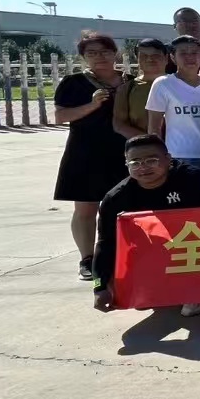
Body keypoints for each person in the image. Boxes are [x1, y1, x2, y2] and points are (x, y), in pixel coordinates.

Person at [91, 134, 200, 317]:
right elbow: (105, 243)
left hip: (185, 244)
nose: (143, 167)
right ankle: (149, 286)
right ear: (126, 164)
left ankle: (195, 288)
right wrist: (98, 287)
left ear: (168, 159)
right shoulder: (115, 199)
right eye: (135, 163)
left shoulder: (189, 178)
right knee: (121, 282)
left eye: (151, 160)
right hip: (148, 247)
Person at [54, 32, 128, 280]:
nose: (99, 57)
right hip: (85, 151)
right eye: (92, 53)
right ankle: (87, 259)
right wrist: (93, 105)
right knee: (86, 209)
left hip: (126, 152)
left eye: (105, 51)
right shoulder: (73, 83)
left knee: (125, 207)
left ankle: (122, 255)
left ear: (115, 53)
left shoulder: (130, 81)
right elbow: (61, 116)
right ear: (83, 57)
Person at [146, 35, 200, 206]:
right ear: (173, 57)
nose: (190, 57)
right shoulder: (163, 84)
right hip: (178, 157)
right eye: (183, 53)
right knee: (182, 208)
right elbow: (154, 128)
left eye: (194, 53)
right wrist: (160, 158)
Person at [112, 38, 170, 141]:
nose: (149, 59)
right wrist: (151, 142)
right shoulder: (127, 89)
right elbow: (119, 124)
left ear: (166, 58)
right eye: (143, 56)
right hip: (144, 147)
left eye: (155, 56)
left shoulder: (180, 84)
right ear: (137, 59)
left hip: (182, 147)